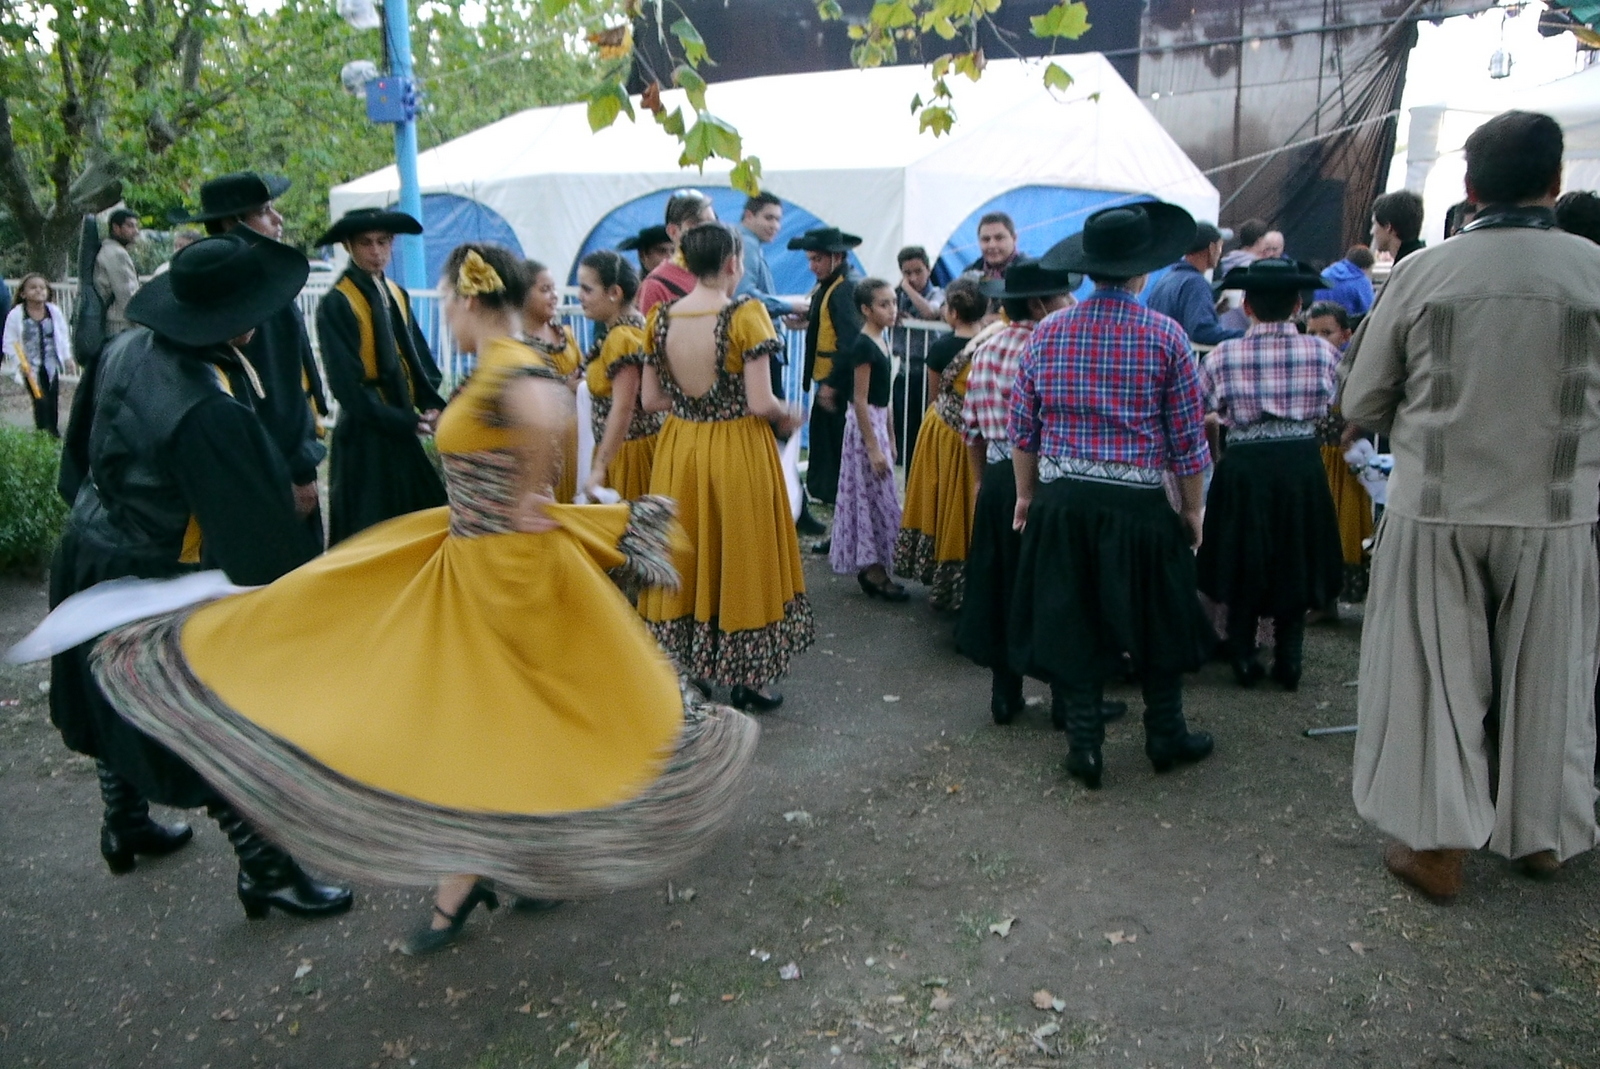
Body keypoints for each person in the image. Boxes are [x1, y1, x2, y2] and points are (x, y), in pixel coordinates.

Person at [74, 242, 758, 955]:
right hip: (475, 563)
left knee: (491, 718)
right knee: (486, 719)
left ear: (471, 302)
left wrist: (528, 489)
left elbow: (549, 404)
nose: (447, 317)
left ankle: (472, 876)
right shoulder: (495, 365)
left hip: (504, 575)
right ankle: (490, 869)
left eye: (450, 301)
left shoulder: (511, 366)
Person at [45, 233, 352, 919]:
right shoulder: (203, 405)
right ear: (236, 319)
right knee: (208, 720)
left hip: (92, 552)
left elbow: (77, 463)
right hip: (152, 573)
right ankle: (266, 866)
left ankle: (123, 823)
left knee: (114, 699)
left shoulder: (127, 347)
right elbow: (258, 539)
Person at [1344, 110, 1600, 901]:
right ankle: (1543, 834)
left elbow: (1365, 394)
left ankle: (1439, 849)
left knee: (1434, 676)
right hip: (1556, 509)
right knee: (1552, 674)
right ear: (1555, 183)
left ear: (1469, 187)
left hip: (1438, 506)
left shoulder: (1425, 272)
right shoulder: (1594, 270)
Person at [1011, 202, 1216, 790]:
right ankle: (1165, 734)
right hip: (1138, 506)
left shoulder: (1047, 332)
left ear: (1091, 268)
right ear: (1141, 272)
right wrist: (1194, 509)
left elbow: (1023, 428)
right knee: (1160, 619)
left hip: (1063, 499)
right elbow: (1187, 441)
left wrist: (1027, 496)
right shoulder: (1166, 335)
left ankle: (1086, 747)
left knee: (1072, 617)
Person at [640, 223, 813, 712]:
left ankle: (689, 674)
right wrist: (788, 412)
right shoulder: (746, 315)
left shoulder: (659, 318)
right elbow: (760, 402)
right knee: (742, 553)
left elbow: (652, 399)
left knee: (687, 555)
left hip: (681, 450)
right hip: (737, 448)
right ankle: (750, 677)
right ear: (734, 262)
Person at [1196, 259, 1344, 691]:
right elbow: (1337, 402)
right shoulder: (1321, 351)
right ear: (1298, 305)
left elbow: (1198, 408)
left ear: (1247, 305)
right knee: (1296, 551)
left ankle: (1242, 653)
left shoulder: (1224, 355)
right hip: (1300, 462)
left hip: (1244, 465)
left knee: (1242, 554)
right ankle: (1290, 654)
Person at [956, 259, 1078, 725]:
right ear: (1040, 303)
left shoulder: (985, 348)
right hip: (1044, 477)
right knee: (1055, 587)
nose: (1069, 305)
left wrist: (981, 482)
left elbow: (971, 428)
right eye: (1062, 297)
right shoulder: (1055, 347)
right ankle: (1068, 699)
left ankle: (1004, 694)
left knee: (1001, 584)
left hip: (998, 477)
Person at [188, 171, 328, 554]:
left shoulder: (220, 283)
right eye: (265, 212)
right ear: (233, 223)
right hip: (269, 471)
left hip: (242, 471)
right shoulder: (256, 293)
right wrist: (300, 473)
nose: (278, 220)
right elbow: (280, 391)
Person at [315, 207, 448, 545]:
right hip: (366, 434)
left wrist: (432, 404)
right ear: (348, 246)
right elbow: (346, 387)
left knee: (427, 519)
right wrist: (400, 420)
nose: (376, 252)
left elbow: (418, 358)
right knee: (370, 533)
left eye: (383, 242)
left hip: (402, 427)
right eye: (366, 244)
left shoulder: (396, 293)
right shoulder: (337, 302)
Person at [894, 277, 986, 611]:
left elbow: (935, 396)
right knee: (965, 502)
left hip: (943, 432)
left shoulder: (941, 348)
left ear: (952, 312)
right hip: (977, 433)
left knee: (941, 498)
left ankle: (938, 569)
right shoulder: (988, 345)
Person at [831, 278, 907, 601]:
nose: (892, 310)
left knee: (881, 495)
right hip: (865, 426)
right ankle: (872, 568)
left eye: (893, 302)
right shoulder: (864, 344)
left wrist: (889, 434)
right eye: (883, 304)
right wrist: (874, 446)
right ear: (866, 309)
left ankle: (875, 564)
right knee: (870, 494)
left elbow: (885, 394)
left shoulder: (884, 339)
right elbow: (860, 400)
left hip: (878, 421)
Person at [789, 226, 862, 533]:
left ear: (836, 257)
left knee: (839, 463)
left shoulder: (844, 288)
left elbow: (850, 340)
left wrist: (832, 384)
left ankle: (844, 534)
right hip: (827, 384)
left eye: (817, 259)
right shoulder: (829, 284)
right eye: (810, 259)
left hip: (839, 388)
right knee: (830, 460)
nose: (812, 265)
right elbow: (826, 322)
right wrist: (804, 322)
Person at [578, 250, 662, 501]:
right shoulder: (637, 326)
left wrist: (601, 466)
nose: (580, 297)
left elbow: (623, 408)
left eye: (587, 289)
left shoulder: (621, 338)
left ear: (614, 292)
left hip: (628, 453)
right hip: (631, 447)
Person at [1305, 301, 1371, 608]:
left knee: (1342, 529)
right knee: (1314, 530)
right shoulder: (1304, 364)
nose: (1318, 338)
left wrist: (1355, 428)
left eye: (1326, 332)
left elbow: (1370, 397)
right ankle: (1320, 601)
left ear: (1345, 334)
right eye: (1311, 332)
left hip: (1342, 459)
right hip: (1316, 457)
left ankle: (1333, 597)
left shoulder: (1351, 368)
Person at [521, 259, 585, 502]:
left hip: (580, 436)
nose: (554, 296)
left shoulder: (565, 334)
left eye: (554, 289)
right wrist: (563, 389)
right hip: (546, 443)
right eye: (545, 290)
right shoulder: (518, 344)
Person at [1144, 221, 1244, 347]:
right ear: (1212, 248)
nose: (1220, 252)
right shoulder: (1195, 283)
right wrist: (1246, 335)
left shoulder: (1167, 279)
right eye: (1220, 246)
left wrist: (1214, 311)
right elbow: (1202, 332)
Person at [3, 273, 74, 435]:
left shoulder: (53, 312)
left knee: (52, 398)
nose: (38, 291)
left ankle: (53, 431)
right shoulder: (16, 315)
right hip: (30, 367)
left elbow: (62, 336)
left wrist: (67, 358)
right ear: (23, 293)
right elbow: (10, 341)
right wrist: (20, 363)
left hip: (50, 364)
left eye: (42, 288)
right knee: (39, 399)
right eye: (33, 288)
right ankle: (42, 431)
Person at [636, 190, 718, 315]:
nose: (707, 231)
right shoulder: (656, 286)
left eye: (711, 223)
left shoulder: (722, 273)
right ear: (673, 232)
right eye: (696, 224)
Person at [736, 192, 809, 321]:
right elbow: (744, 295)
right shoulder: (747, 244)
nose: (775, 226)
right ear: (749, 216)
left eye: (778, 220)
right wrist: (789, 306)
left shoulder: (741, 240)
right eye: (769, 218)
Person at [94, 208, 142, 338]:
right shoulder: (117, 254)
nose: (136, 231)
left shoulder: (109, 249)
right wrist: (144, 324)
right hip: (122, 324)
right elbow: (127, 295)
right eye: (130, 226)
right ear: (116, 228)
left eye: (136, 226)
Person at [1313, 245, 1375, 318]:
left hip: (1319, 322)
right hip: (1346, 325)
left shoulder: (1325, 273)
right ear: (1365, 268)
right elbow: (1370, 311)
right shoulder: (1361, 281)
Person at [962, 211, 1024, 281]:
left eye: (999, 238)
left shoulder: (1030, 273)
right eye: (986, 239)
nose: (992, 245)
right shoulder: (968, 277)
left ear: (1014, 239)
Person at [1370, 190, 1426, 262]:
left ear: (1388, 227)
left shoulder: (1405, 267)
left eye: (1374, 224)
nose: (1371, 231)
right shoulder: (1420, 260)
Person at [895, 246, 946, 321]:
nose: (913, 278)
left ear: (928, 270)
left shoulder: (938, 294)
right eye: (907, 273)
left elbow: (930, 313)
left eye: (918, 272)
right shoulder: (897, 294)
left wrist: (908, 289)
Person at [1218, 219, 1283, 275]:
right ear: (1259, 240)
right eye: (1265, 240)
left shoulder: (1230, 258)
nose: (1267, 244)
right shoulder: (1255, 267)